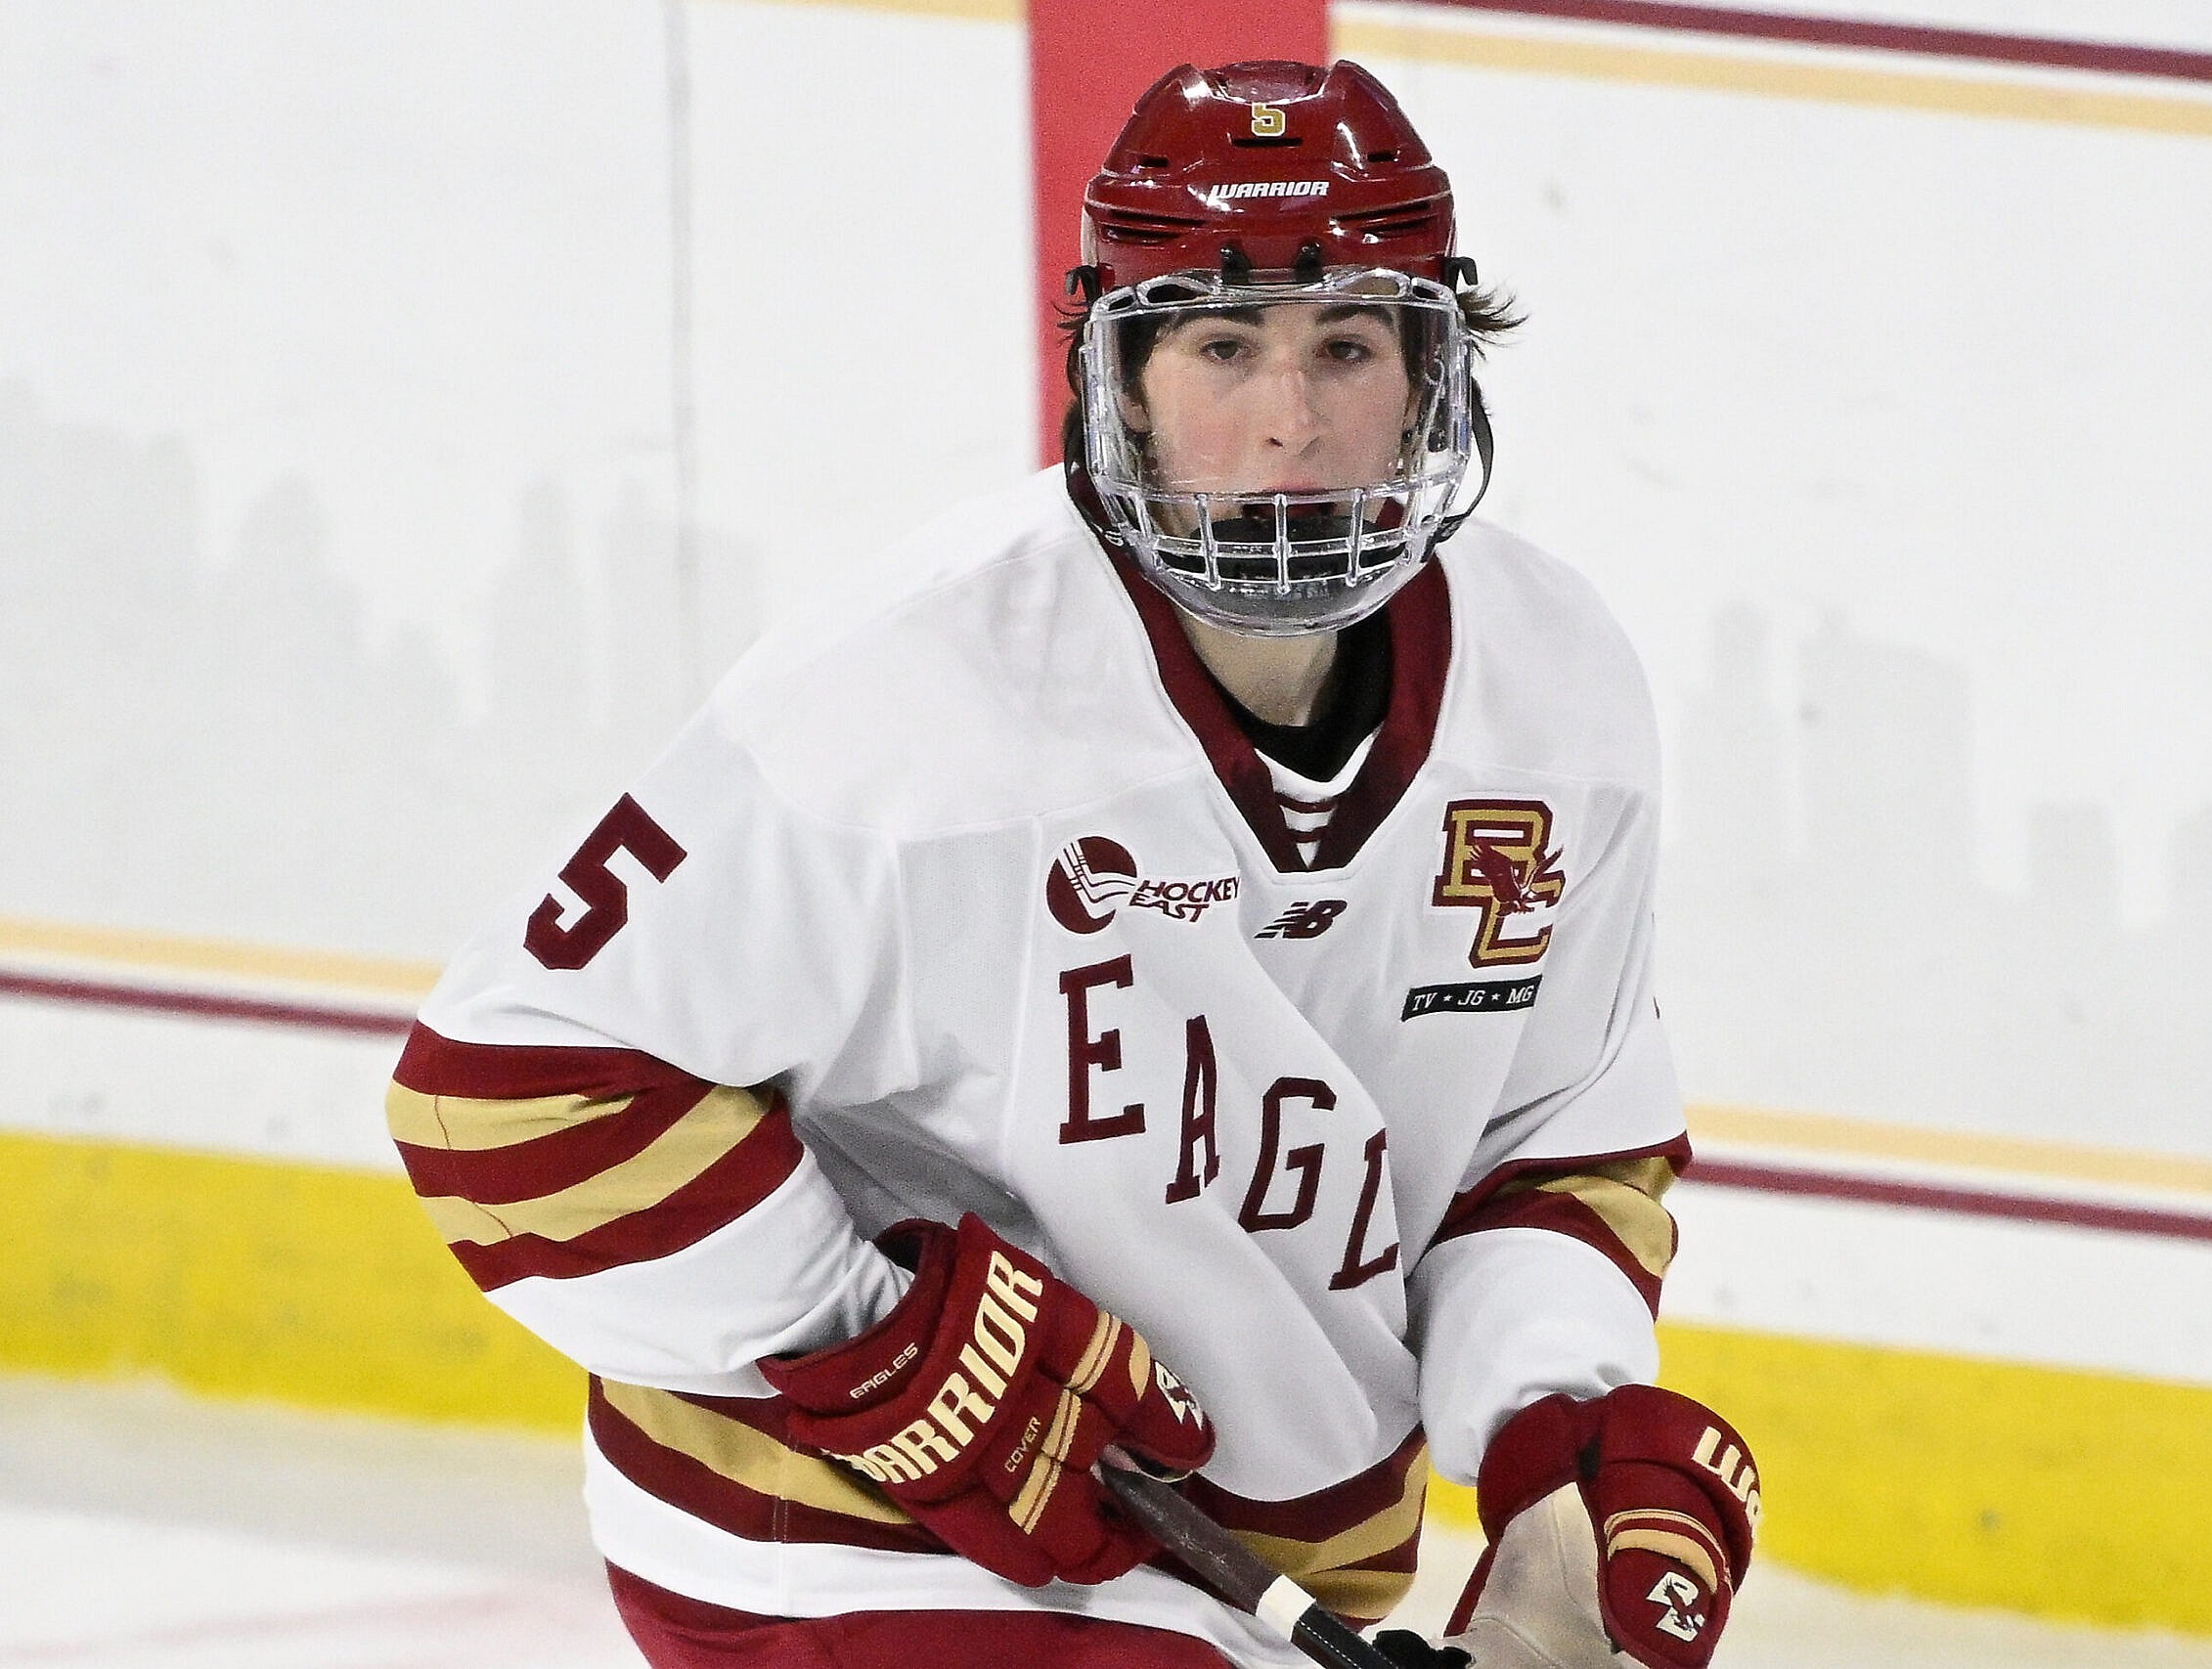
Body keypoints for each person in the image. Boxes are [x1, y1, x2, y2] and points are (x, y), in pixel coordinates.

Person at [385, 58, 1759, 1669]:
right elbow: (508, 1091)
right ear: (1122, 383)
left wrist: (1556, 1437)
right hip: (833, 1539)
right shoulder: (917, 697)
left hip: (1240, 1573)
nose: (1289, 419)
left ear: (1435, 375)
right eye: (1221, 346)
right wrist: (873, 1341)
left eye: (1348, 345)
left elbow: (1548, 1142)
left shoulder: (1558, 692)